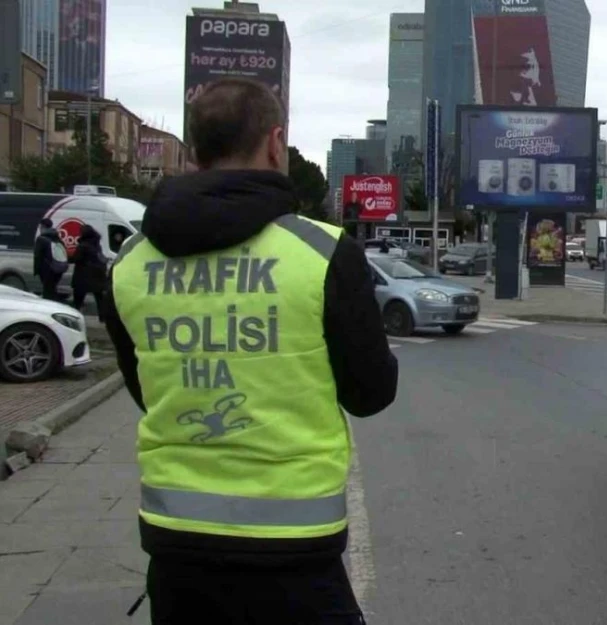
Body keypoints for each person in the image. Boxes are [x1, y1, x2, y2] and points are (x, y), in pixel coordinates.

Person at [100, 77, 398, 625]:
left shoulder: (129, 265)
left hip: (176, 544)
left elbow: (147, 388)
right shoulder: (323, 253)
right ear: (276, 142)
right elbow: (371, 394)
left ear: (193, 150)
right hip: (295, 547)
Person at [71, 224, 108, 320]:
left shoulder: (83, 246)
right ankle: (103, 318)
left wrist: (68, 258)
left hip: (83, 275)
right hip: (97, 275)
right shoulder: (96, 244)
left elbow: (76, 259)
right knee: (99, 298)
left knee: (78, 298)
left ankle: (76, 316)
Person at [33, 218, 68, 301]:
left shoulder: (41, 239)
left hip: (46, 269)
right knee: (52, 289)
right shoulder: (57, 238)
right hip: (58, 268)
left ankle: (50, 308)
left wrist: (36, 270)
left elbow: (37, 256)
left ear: (42, 226)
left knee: (47, 291)